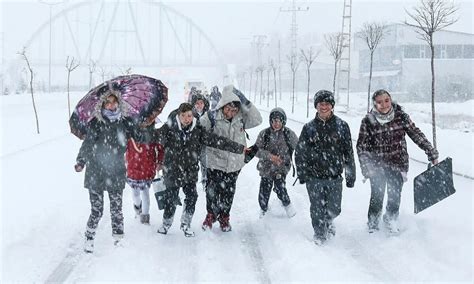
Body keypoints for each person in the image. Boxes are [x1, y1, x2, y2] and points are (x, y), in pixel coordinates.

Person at [154, 103, 246, 237]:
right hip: (172, 171)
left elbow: (216, 140)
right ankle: (166, 224)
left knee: (192, 197)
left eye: (189, 115)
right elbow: (153, 137)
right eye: (183, 116)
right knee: (171, 199)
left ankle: (186, 224)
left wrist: (238, 147)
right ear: (178, 116)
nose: (187, 119)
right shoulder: (169, 128)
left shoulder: (198, 130)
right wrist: (144, 129)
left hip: (190, 171)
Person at [356, 89, 438, 234]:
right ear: (374, 103)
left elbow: (416, 134)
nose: (384, 104)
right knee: (377, 196)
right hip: (377, 167)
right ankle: (373, 225)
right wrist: (367, 168)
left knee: (395, 195)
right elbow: (362, 147)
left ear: (391, 100)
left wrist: (430, 151)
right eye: (379, 102)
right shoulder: (368, 121)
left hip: (397, 164)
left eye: (386, 100)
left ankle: (391, 220)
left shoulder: (401, 117)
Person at [74, 90, 139, 253]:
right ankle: (89, 238)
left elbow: (138, 137)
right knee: (97, 210)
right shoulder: (96, 122)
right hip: (96, 170)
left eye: (113, 101)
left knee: (116, 208)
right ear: (102, 104)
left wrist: (136, 127)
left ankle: (118, 239)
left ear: (118, 103)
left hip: (116, 170)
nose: (111, 105)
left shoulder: (125, 123)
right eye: (107, 102)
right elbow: (87, 144)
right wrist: (81, 161)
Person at [295, 90, 356, 246]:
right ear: (316, 106)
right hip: (314, 176)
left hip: (335, 177)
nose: (324, 107)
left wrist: (351, 175)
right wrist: (302, 173)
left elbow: (348, 152)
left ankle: (328, 221)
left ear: (332, 106)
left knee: (335, 209)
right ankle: (319, 233)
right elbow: (300, 152)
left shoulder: (342, 126)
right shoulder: (309, 128)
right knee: (316, 208)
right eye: (321, 104)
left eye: (327, 104)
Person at [200, 85, 262, 232]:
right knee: (212, 191)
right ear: (223, 105)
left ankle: (224, 217)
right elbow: (198, 131)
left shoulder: (241, 118)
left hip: (234, 164)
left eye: (234, 110)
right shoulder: (211, 116)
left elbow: (258, 119)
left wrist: (246, 102)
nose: (231, 113)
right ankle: (210, 215)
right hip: (215, 162)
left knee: (228, 192)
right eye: (228, 109)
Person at [255, 107, 299, 218]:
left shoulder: (289, 134)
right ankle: (264, 211)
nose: (277, 124)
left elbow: (300, 149)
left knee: (280, 187)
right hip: (266, 168)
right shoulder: (264, 134)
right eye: (274, 121)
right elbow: (255, 151)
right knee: (263, 193)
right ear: (270, 121)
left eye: (279, 121)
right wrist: (270, 157)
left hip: (281, 168)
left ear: (283, 121)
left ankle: (288, 207)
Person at [125, 117, 164, 225]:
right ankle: (139, 210)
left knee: (142, 194)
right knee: (137, 194)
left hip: (143, 168)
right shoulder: (129, 133)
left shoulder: (151, 133)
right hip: (136, 168)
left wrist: (160, 162)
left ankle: (143, 215)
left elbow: (160, 149)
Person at [191, 93, 210, 187]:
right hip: (193, 145)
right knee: (193, 165)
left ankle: (204, 180)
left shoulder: (208, 115)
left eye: (201, 103)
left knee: (205, 164)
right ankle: (192, 182)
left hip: (204, 144)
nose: (199, 105)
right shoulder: (190, 114)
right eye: (197, 103)